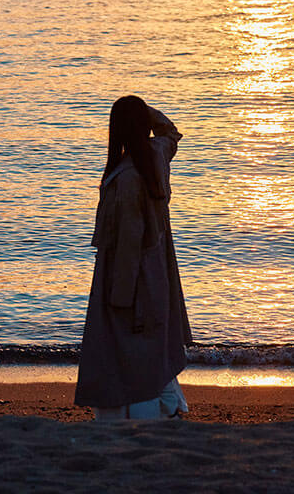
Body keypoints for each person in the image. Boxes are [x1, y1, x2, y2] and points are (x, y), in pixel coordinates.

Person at [74, 95, 192, 419]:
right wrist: (143, 115)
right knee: (153, 345)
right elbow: (171, 133)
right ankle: (168, 406)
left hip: (131, 275)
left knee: (125, 347)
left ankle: (148, 410)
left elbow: (129, 241)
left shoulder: (128, 176)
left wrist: (119, 296)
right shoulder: (155, 155)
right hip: (157, 270)